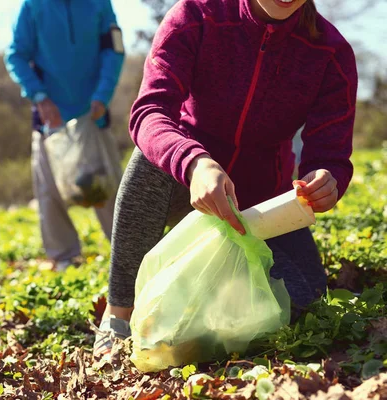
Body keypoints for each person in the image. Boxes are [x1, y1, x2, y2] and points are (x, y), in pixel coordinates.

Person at [94, 0, 357, 356]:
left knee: (304, 301)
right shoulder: (195, 15)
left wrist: (328, 179)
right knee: (149, 163)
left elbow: (331, 156)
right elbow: (150, 112)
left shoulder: (331, 53)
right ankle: (119, 312)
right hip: (187, 184)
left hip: (263, 209)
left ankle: (198, 287)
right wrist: (195, 162)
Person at [4, 0, 125, 272]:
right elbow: (16, 55)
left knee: (109, 189)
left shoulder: (100, 4)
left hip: (93, 114)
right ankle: (64, 257)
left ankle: (128, 253)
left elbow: (114, 50)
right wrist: (40, 97)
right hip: (51, 118)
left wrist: (102, 96)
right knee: (49, 191)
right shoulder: (32, 6)